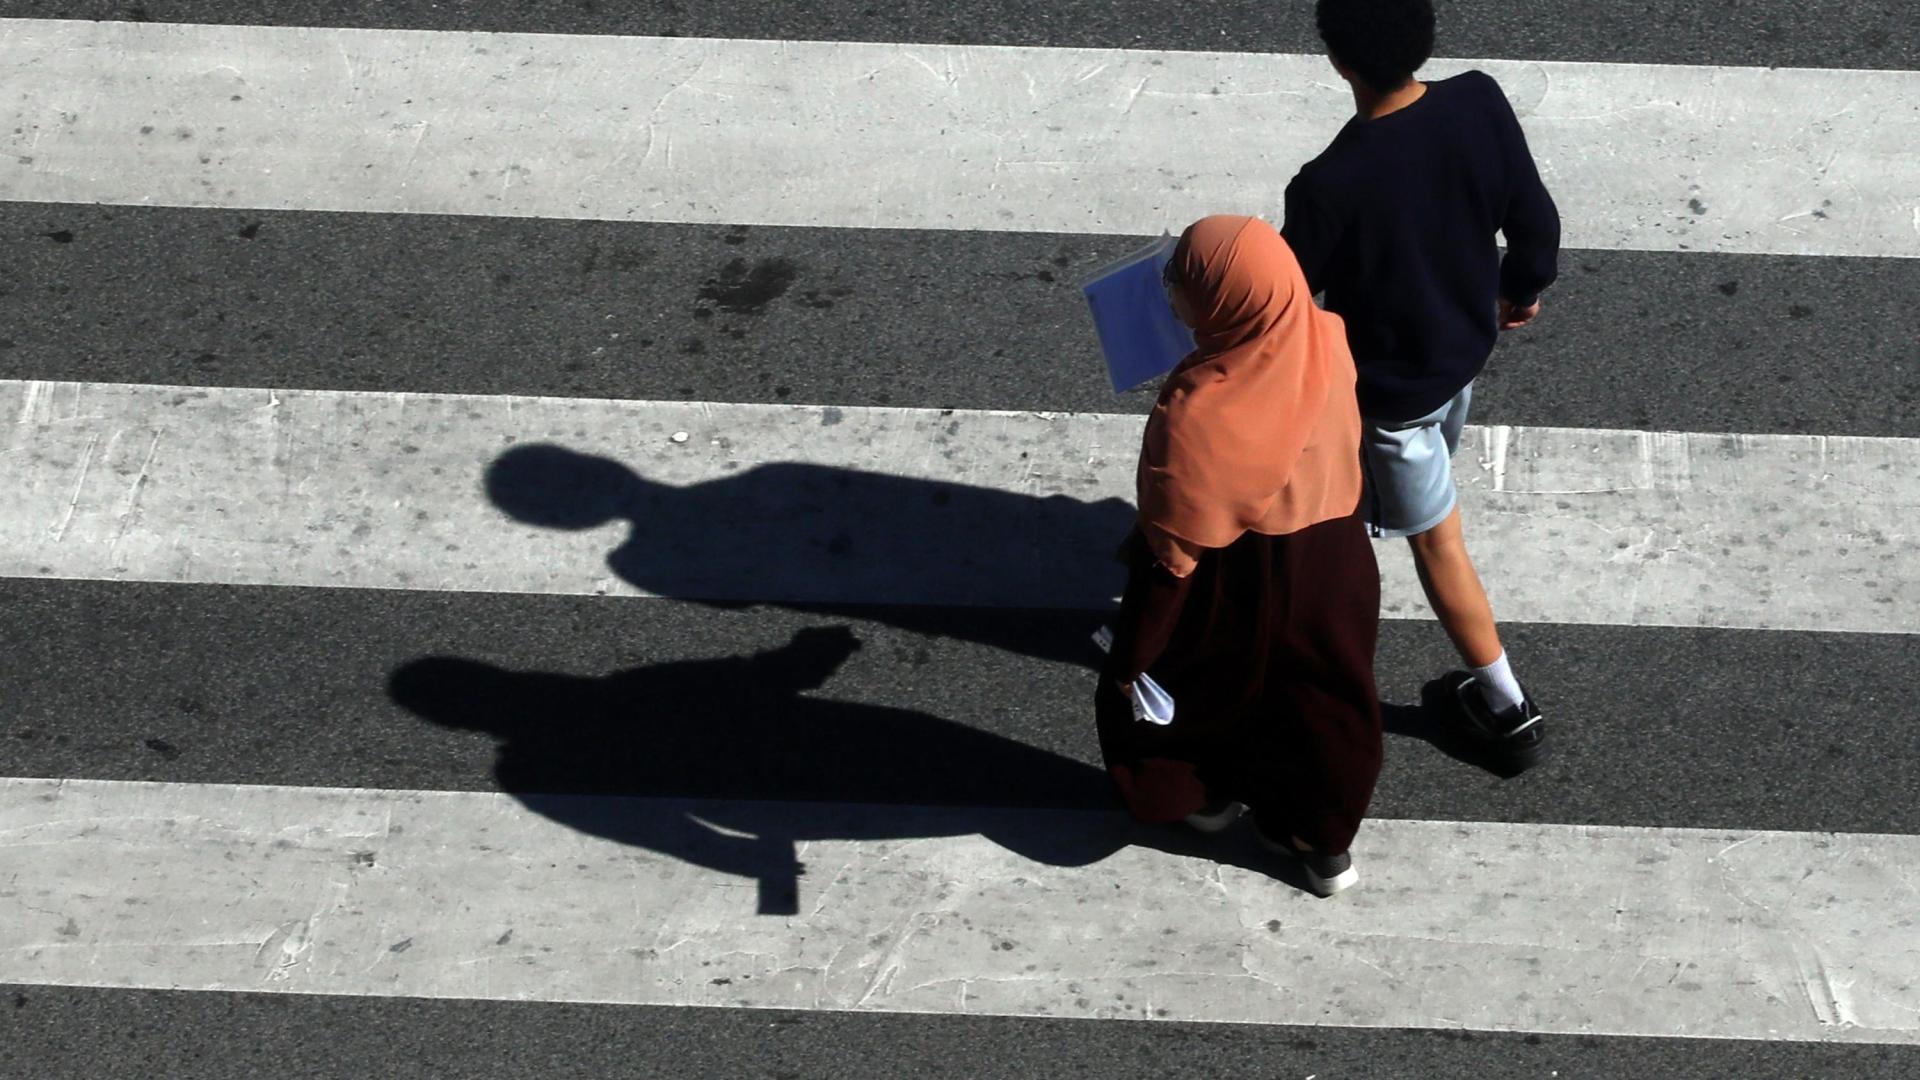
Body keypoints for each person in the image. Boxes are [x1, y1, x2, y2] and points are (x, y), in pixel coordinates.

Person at [1281, 0, 1561, 772]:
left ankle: (1505, 707)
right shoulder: (1480, 100)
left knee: (1438, 542)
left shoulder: (1328, 184)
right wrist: (1523, 287)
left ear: (1337, 61)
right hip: (1462, 353)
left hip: (1388, 398)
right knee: (1427, 472)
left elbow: (1288, 298)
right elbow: (1535, 220)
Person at [1097, 215, 1382, 897]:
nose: (1170, 294)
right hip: (1334, 561)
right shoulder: (1326, 336)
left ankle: (1198, 798)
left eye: (1181, 283)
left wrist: (1131, 656)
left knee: (1196, 688)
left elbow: (1173, 556)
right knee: (1321, 706)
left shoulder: (1197, 413)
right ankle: (1320, 845)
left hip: (1237, 576)